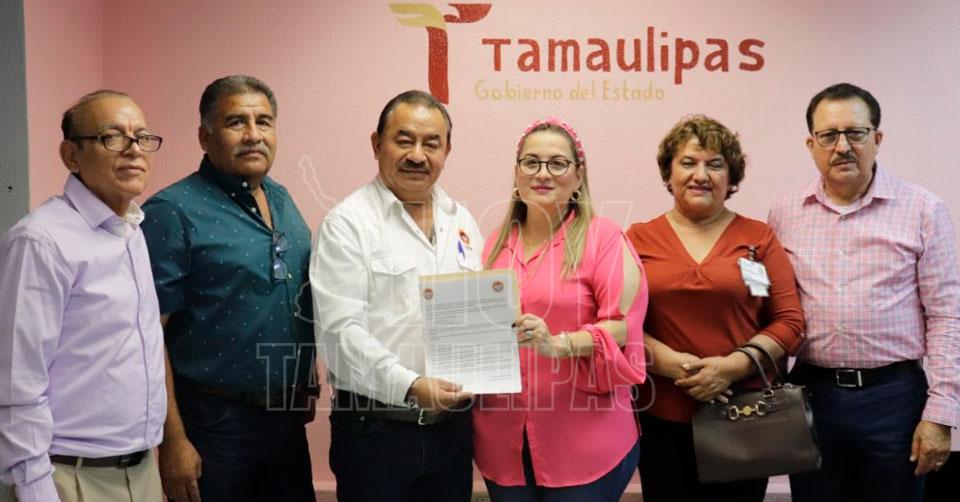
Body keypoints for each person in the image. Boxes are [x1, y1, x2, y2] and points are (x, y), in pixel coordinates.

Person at [769, 82, 960, 502]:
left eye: (855, 133)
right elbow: (774, 306)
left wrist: (941, 414)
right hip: (812, 394)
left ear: (877, 138)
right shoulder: (785, 212)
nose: (842, 147)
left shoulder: (924, 209)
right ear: (811, 144)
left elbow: (947, 315)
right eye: (828, 135)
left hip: (895, 400)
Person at [141, 75, 316, 502]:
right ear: (205, 136)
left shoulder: (281, 198)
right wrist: (173, 442)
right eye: (236, 122)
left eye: (264, 121)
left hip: (285, 421)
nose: (253, 134)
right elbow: (147, 336)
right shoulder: (172, 211)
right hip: (213, 425)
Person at [310, 90, 482, 501]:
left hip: (452, 433)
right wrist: (412, 385)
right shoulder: (348, 224)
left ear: (447, 151)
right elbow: (340, 334)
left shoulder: (461, 219)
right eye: (404, 140)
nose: (417, 155)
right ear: (377, 144)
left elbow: (474, 311)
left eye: (431, 143)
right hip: (375, 434)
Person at [627, 115, 805, 501]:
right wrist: (672, 364)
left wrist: (730, 368)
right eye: (688, 162)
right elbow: (619, 322)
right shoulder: (638, 239)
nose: (700, 175)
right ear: (668, 173)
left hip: (744, 416)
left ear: (732, 175)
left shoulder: (758, 238)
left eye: (715, 164)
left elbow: (789, 322)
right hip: (659, 417)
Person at [0, 90, 166, 502]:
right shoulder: (41, 241)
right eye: (113, 136)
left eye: (142, 137)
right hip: (69, 478)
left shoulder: (131, 230)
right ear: (71, 155)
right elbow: (16, 383)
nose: (134, 149)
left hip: (141, 471)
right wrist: (36, 491)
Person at [474, 117, 647, 501]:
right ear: (517, 172)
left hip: (585, 443)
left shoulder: (604, 237)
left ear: (578, 175)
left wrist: (559, 344)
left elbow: (622, 326)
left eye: (557, 163)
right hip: (503, 444)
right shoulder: (493, 244)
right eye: (531, 162)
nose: (542, 173)